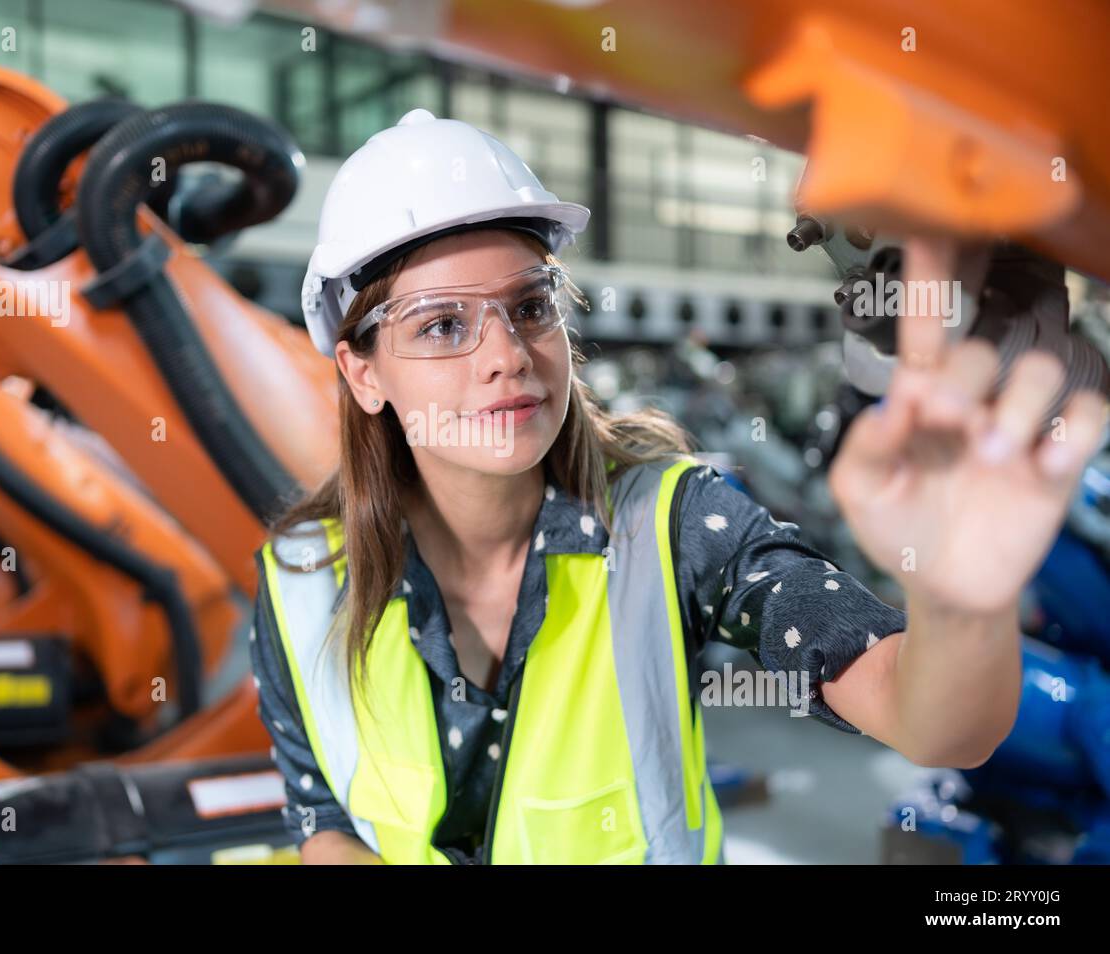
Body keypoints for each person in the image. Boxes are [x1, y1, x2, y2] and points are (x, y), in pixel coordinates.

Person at [249, 108, 1110, 865]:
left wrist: (963, 602)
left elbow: (934, 723)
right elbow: (324, 813)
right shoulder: (300, 580)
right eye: (442, 325)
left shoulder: (676, 523)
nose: (507, 354)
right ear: (362, 373)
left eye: (531, 305)